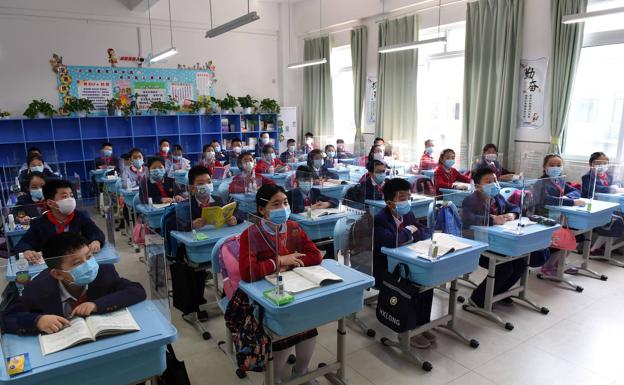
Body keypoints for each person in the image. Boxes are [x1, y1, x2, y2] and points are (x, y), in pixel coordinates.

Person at [239, 184, 321, 383]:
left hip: (292, 287)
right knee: (284, 329)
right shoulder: (251, 234)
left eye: (285, 203)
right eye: (275, 204)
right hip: (259, 295)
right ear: (261, 210)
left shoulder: (293, 227)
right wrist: (280, 261)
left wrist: (288, 265)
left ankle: (301, 372)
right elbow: (249, 273)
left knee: (309, 325)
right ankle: (274, 379)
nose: (283, 208)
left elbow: (315, 255)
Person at [1, 232, 146, 335]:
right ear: (57, 274)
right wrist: (37, 321)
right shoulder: (36, 289)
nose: (88, 265)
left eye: (89, 256)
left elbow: (136, 290)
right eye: (77, 263)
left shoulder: (104, 273)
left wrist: (97, 305)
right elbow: (6, 318)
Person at [373, 178, 433, 348]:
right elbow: (392, 241)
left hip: (408, 260)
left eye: (408, 197)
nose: (407, 201)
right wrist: (409, 231)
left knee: (428, 283)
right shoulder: (380, 219)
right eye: (402, 198)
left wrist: (409, 233)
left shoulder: (408, 213)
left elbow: (423, 231)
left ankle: (422, 324)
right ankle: (408, 331)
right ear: (390, 202)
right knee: (414, 285)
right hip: (386, 267)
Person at [461, 168, 523, 308]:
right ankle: (478, 299)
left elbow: (515, 207)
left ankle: (499, 292)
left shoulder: (498, 197)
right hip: (478, 244)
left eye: (494, 180)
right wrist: (492, 219)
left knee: (520, 262)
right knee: (505, 267)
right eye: (488, 181)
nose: (493, 184)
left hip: (497, 241)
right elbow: (467, 219)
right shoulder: (471, 200)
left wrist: (512, 214)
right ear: (477, 186)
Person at [14, 179, 105, 264]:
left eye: (71, 196)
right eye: (64, 197)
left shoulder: (80, 216)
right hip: (53, 266)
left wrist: (96, 241)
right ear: (50, 203)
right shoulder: (39, 223)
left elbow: (95, 232)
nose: (70, 200)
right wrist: (26, 251)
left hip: (79, 262)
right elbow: (24, 243)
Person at [538, 153, 585, 277]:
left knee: (579, 236)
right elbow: (548, 199)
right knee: (564, 237)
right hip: (544, 219)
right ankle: (547, 265)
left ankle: (559, 263)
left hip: (560, 218)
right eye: (552, 165)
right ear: (544, 167)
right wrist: (571, 201)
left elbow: (576, 191)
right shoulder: (541, 182)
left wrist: (567, 197)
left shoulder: (559, 180)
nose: (555, 168)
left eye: (558, 165)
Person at [178, 166, 244, 230]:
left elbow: (241, 214)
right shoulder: (186, 205)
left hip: (218, 235)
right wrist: (192, 224)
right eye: (201, 183)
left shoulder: (219, 200)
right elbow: (173, 223)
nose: (206, 186)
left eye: (209, 182)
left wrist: (235, 218)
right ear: (192, 188)